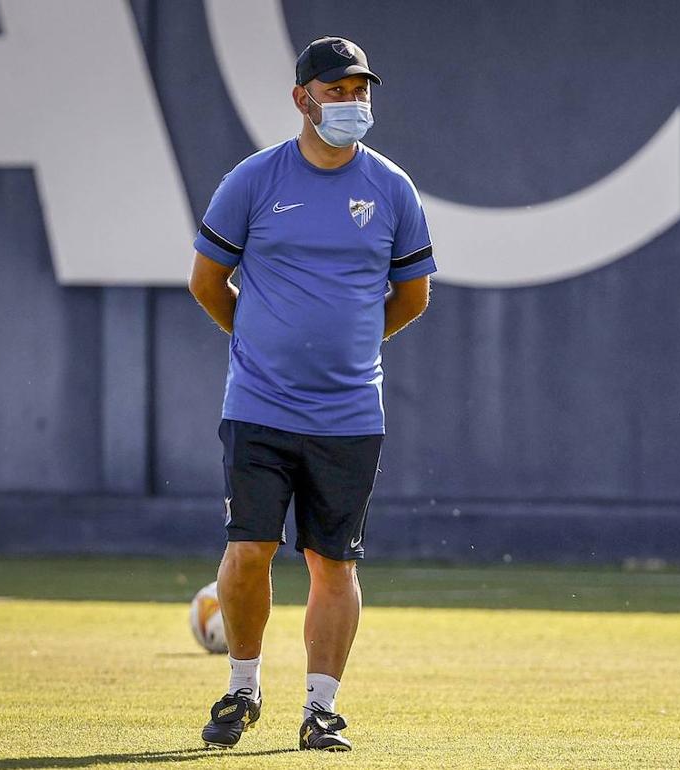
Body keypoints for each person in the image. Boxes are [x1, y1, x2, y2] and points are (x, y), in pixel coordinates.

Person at [187, 36, 435, 752]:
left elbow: (413, 295)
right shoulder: (254, 181)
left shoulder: (391, 188)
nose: (353, 103)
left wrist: (352, 349)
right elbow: (207, 282)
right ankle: (242, 688)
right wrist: (258, 344)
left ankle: (321, 708)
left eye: (361, 91)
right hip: (259, 407)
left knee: (335, 562)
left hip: (350, 413)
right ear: (303, 99)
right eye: (338, 91)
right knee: (248, 552)